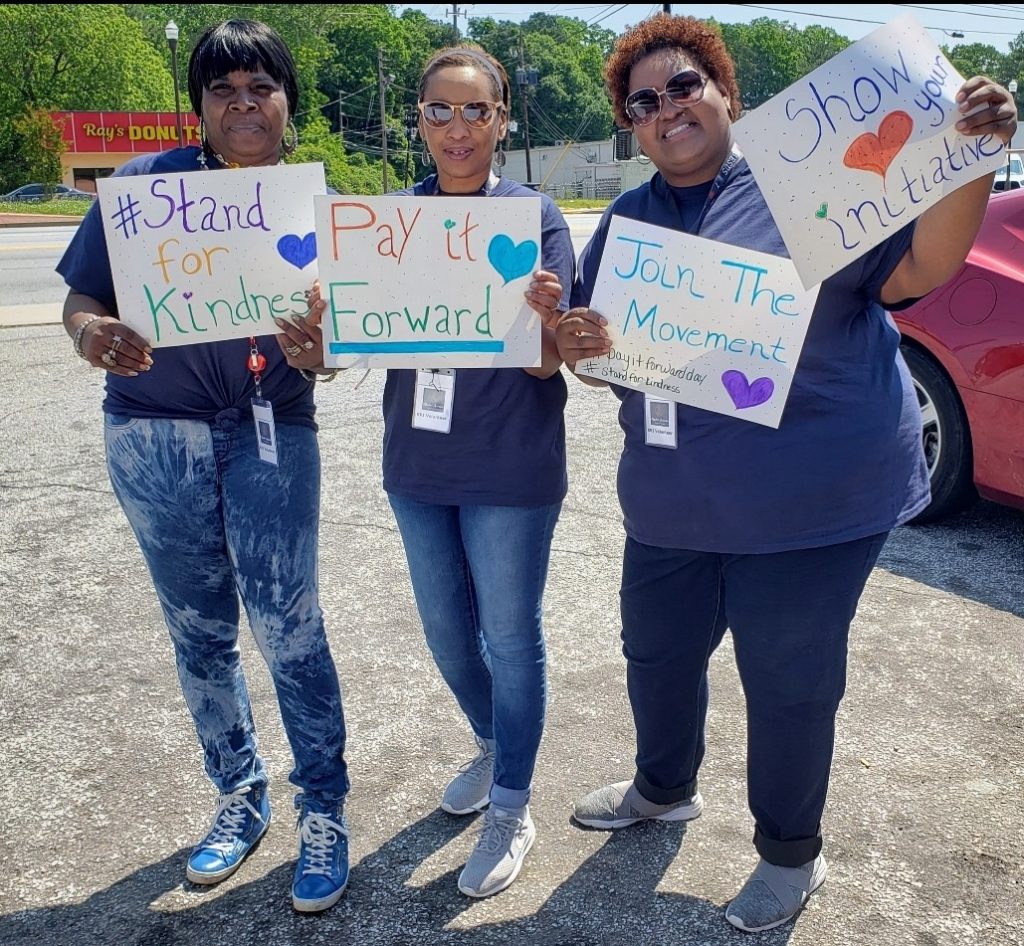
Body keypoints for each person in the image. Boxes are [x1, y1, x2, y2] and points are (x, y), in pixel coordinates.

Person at [554, 13, 1017, 934]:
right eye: (643, 103)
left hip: (816, 499)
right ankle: (662, 789)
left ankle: (787, 856)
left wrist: (973, 156)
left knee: (790, 680)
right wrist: (581, 347)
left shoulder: (806, 188)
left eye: (684, 85)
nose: (666, 109)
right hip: (672, 501)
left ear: (727, 93)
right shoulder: (628, 219)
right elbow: (599, 350)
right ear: (631, 128)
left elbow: (926, 261)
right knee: (657, 653)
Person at [56, 19, 351, 914]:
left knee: (289, 625)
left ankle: (324, 809)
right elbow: (81, 295)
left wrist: (317, 353)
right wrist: (88, 334)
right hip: (153, 435)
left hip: (269, 429)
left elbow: (343, 346)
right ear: (199, 107)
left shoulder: (322, 207)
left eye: (261, 86)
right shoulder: (142, 189)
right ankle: (239, 793)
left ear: (288, 102)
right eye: (223, 89)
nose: (243, 103)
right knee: (200, 633)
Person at [283, 43, 575, 899]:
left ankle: (513, 802)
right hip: (417, 463)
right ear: (419, 120)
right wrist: (316, 351)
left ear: (501, 118)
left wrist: (545, 328)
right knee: (450, 634)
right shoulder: (386, 222)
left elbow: (556, 361)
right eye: (439, 110)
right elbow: (348, 346)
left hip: (513, 468)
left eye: (474, 110)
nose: (457, 128)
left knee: (510, 638)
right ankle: (493, 743)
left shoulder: (534, 217)